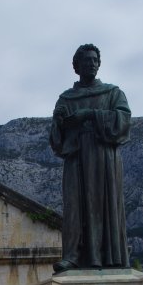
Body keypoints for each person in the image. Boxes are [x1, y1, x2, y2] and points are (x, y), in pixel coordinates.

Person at [50, 43, 131, 272]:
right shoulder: (66, 99)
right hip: (76, 158)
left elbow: (123, 122)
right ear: (76, 67)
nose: (92, 64)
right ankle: (74, 256)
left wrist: (90, 115)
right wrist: (58, 121)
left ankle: (108, 256)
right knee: (75, 207)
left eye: (95, 60)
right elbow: (56, 140)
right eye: (86, 61)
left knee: (104, 203)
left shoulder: (113, 93)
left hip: (104, 157)